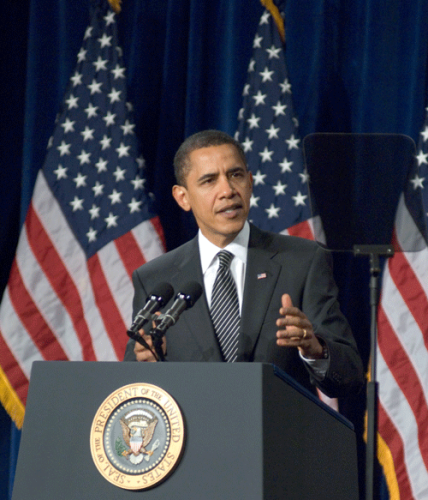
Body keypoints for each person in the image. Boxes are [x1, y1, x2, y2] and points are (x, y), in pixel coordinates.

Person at [123, 130, 364, 398]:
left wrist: (315, 349)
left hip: (277, 424)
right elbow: (133, 388)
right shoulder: (155, 279)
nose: (227, 191)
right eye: (209, 181)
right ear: (183, 197)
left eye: (235, 175)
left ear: (249, 182)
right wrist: (149, 368)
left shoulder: (302, 261)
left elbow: (350, 377)